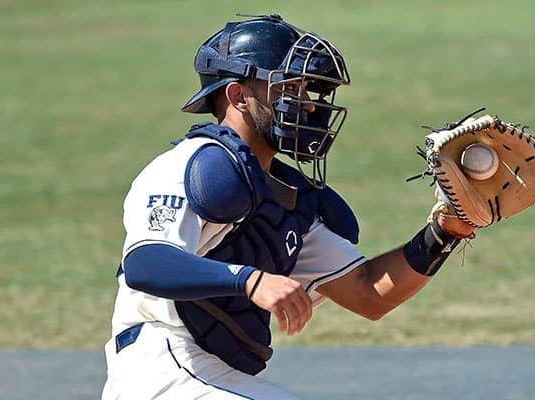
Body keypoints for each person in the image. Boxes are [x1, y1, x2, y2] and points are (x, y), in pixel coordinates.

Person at [101, 14, 475, 400]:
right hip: (160, 365)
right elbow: (145, 263)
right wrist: (250, 280)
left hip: (211, 375)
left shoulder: (285, 201)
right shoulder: (192, 168)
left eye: (305, 90)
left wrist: (445, 231)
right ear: (237, 96)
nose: (308, 106)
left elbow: (369, 292)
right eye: (289, 89)